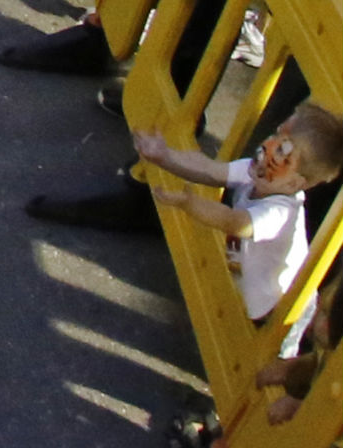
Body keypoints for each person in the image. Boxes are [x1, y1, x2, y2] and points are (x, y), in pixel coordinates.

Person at [136, 105, 343, 325]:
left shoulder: (280, 213)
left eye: (282, 152)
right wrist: (165, 155)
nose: (268, 147)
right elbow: (210, 169)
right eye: (275, 135)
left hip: (276, 311)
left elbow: (235, 222)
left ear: (295, 183)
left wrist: (191, 204)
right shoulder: (256, 173)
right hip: (252, 289)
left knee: (258, 354)